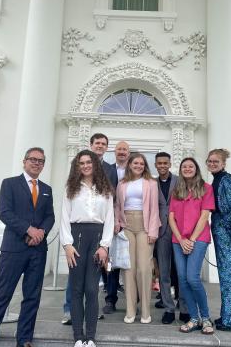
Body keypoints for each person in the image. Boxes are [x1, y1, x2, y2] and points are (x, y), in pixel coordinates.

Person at [0, 147, 55, 347]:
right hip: (14, 248)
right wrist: (28, 230)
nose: (36, 163)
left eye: (41, 161)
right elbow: (4, 212)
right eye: (33, 159)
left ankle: (24, 339)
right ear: (24, 162)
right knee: (2, 294)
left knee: (32, 296)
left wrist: (41, 233)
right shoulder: (10, 184)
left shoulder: (47, 189)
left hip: (38, 250)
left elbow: (50, 216)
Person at [60, 150, 114, 347]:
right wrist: (67, 245)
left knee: (92, 289)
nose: (85, 166)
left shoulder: (105, 188)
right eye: (81, 163)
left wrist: (104, 246)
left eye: (88, 162)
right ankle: (78, 337)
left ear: (95, 164)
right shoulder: (70, 188)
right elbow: (64, 217)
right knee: (76, 289)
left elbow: (110, 218)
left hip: (97, 238)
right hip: (76, 238)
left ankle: (90, 337)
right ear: (77, 166)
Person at [169, 157, 214, 334]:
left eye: (191, 166)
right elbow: (171, 217)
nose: (187, 169)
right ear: (181, 170)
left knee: (192, 278)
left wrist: (192, 239)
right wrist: (181, 239)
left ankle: (206, 318)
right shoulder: (177, 190)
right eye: (184, 166)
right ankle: (193, 318)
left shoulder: (206, 188)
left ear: (196, 169)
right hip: (178, 240)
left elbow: (204, 216)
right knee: (182, 279)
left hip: (199, 238)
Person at [114, 152, 160, 324]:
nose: (139, 166)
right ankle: (130, 310)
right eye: (135, 163)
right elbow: (118, 206)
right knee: (128, 269)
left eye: (141, 163)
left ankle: (146, 312)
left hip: (145, 225)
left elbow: (154, 208)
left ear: (144, 166)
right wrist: (117, 221)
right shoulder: (122, 184)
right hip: (127, 225)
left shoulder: (151, 183)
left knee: (144, 269)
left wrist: (153, 230)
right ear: (130, 165)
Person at [206, 148, 231, 331]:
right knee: (225, 276)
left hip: (227, 235)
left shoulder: (227, 182)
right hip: (220, 231)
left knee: (229, 276)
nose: (212, 164)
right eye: (210, 161)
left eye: (216, 161)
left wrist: (225, 226)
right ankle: (227, 315)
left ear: (223, 163)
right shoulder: (217, 180)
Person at [154, 152, 189, 324]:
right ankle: (168, 308)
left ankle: (184, 308)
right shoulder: (152, 183)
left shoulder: (180, 181)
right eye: (159, 163)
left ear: (169, 164)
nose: (162, 166)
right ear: (156, 165)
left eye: (165, 163)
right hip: (161, 231)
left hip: (179, 230)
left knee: (181, 272)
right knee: (164, 271)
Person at [102, 140, 130, 315]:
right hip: (110, 220)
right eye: (119, 149)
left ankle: (135, 301)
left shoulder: (135, 169)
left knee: (130, 262)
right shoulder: (106, 169)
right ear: (114, 151)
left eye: (125, 149)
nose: (122, 152)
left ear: (129, 152)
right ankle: (110, 298)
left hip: (132, 220)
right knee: (110, 262)